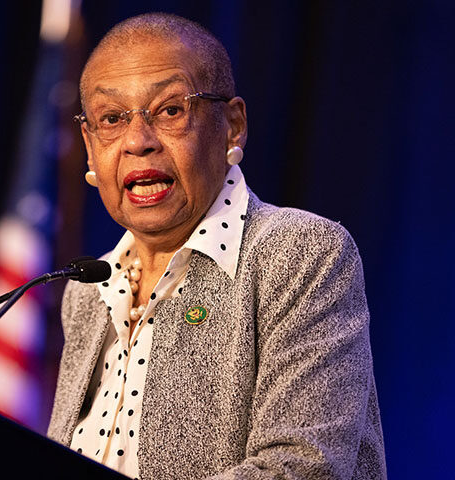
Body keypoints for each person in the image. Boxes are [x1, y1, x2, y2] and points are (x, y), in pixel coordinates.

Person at [47, 13, 386, 480]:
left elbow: (304, 468)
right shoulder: (86, 290)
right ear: (89, 146)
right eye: (112, 119)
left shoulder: (301, 253)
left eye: (169, 110)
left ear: (232, 125)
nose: (137, 142)